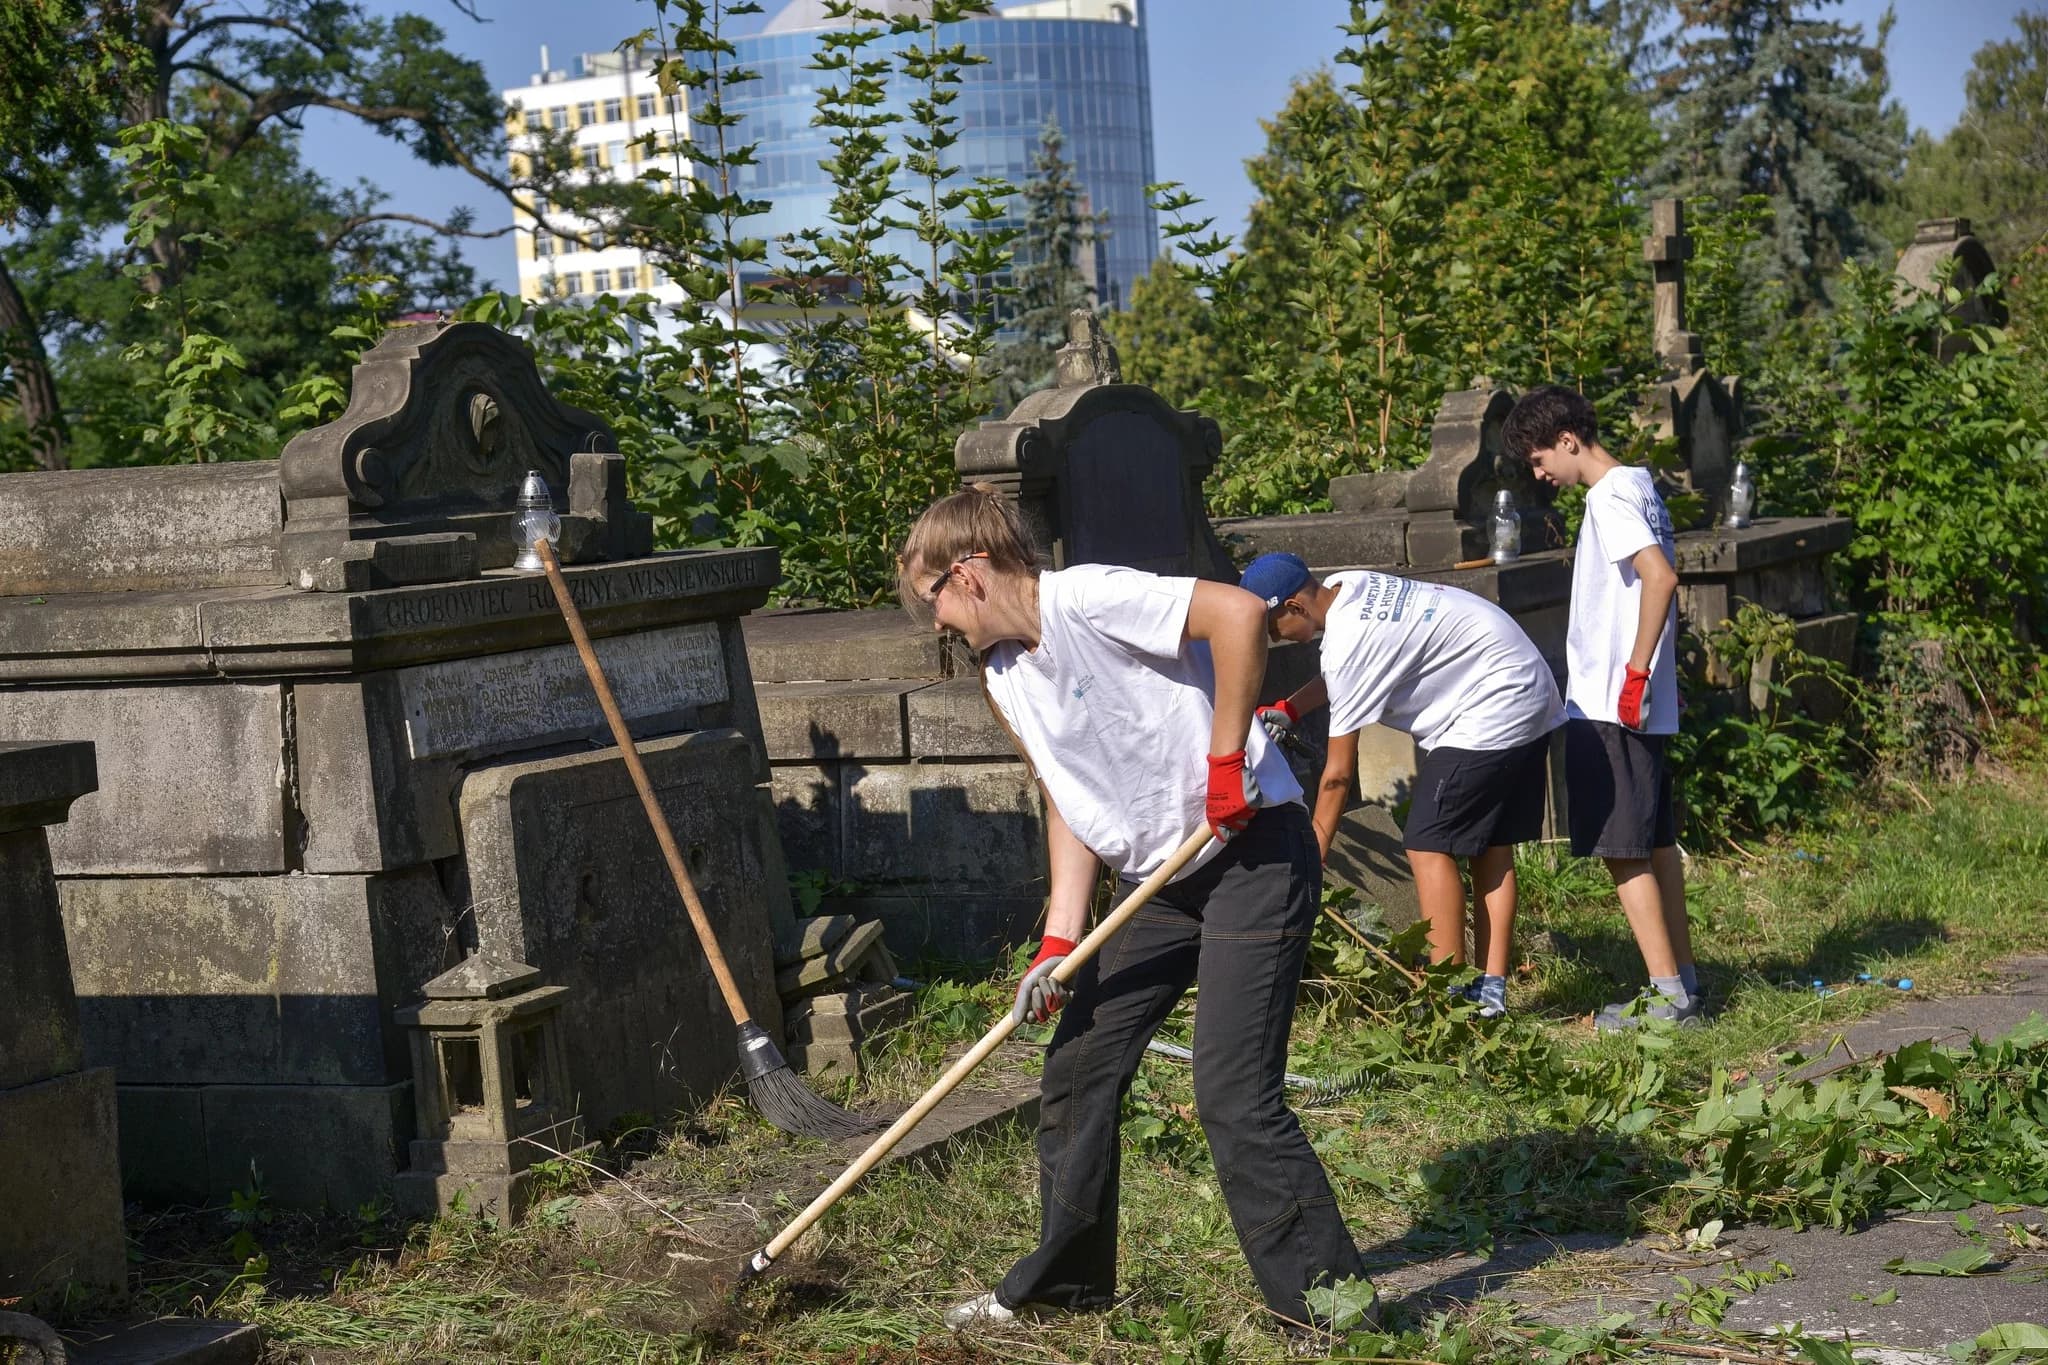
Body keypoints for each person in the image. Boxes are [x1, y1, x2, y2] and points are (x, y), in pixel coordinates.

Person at [896, 486, 1366, 1339]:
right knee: (1078, 1065)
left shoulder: (1086, 596)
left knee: (1231, 1089)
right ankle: (1066, 1284)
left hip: (1254, 847)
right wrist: (1060, 937)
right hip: (1162, 879)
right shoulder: (1004, 677)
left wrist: (1226, 760)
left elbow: (1237, 615)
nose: (936, 621)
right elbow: (1068, 798)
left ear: (967, 572)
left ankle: (1331, 1312)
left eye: (932, 597)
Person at [1242, 553, 1565, 1017]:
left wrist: (1313, 856)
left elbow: (1337, 776)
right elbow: (1348, 674)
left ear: (1294, 606)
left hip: (1492, 705)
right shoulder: (1348, 583)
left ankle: (1448, 998)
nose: (1276, 639)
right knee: (1491, 845)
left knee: (1427, 843)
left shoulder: (1347, 643)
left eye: (1274, 629)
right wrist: (1291, 708)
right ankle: (1489, 995)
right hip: (1526, 683)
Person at [1501, 384, 1700, 1029]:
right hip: (1637, 699)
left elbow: (1660, 578)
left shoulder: (1609, 496)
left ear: (1567, 440)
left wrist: (1635, 673)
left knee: (1624, 848)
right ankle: (1684, 982)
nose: (1539, 475)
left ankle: (1667, 998)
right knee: (1654, 840)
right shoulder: (1640, 485)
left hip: (1615, 700)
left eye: (1539, 460)